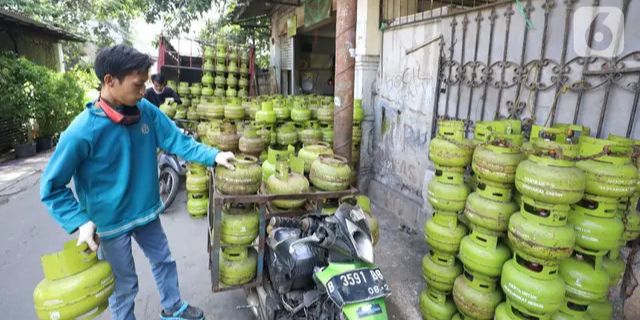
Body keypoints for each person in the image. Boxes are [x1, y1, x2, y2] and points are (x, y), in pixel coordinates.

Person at [40, 44, 235, 320]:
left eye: (145, 83)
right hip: (110, 225)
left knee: (164, 261)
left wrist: (214, 156)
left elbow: (177, 140)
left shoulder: (144, 110)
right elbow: (51, 187)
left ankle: (173, 307)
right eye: (138, 84)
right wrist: (80, 221)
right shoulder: (82, 131)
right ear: (110, 81)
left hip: (146, 212)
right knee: (124, 286)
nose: (144, 91)